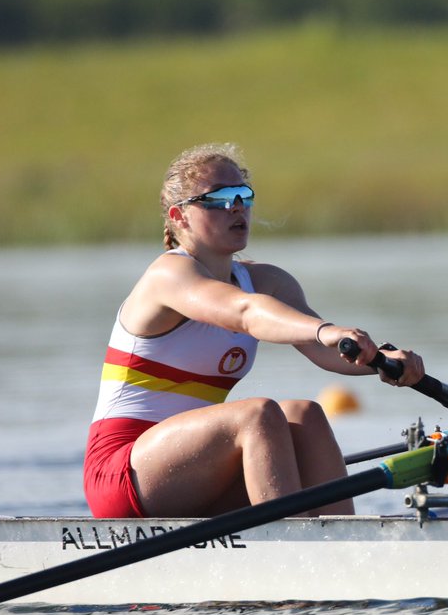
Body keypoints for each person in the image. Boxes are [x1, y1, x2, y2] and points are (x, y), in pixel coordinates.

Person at [84, 142, 424, 519]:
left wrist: (381, 361)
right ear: (179, 217)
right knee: (256, 414)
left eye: (243, 195)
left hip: (195, 469)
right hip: (123, 472)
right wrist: (326, 329)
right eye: (218, 199)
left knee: (304, 414)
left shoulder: (267, 281)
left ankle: (345, 546)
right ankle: (292, 547)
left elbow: (328, 352)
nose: (236, 207)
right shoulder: (168, 276)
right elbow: (246, 313)